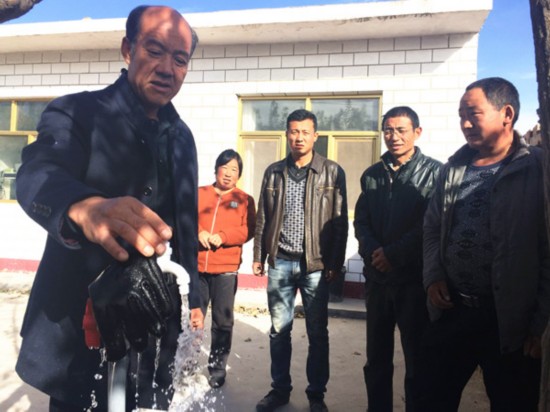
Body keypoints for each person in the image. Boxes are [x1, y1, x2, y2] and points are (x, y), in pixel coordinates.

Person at [14, 5, 203, 411]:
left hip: (154, 325)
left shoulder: (182, 137)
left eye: (180, 59)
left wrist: (196, 298)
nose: (167, 68)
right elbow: (38, 172)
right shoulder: (76, 112)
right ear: (127, 49)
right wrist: (83, 207)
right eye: (154, 50)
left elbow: (185, 227)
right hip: (82, 331)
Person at [422, 77, 550, 411]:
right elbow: (432, 227)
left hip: (511, 322)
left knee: (512, 402)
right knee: (431, 398)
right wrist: (433, 275)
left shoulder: (537, 169)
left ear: (507, 114)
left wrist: (541, 324)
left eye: (473, 114)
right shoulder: (453, 169)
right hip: (454, 311)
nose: (465, 124)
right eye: (461, 115)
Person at [252, 109, 348, 412]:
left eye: (305, 132)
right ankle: (279, 390)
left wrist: (335, 262)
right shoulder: (273, 172)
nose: (299, 137)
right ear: (286, 134)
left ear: (315, 136)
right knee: (279, 331)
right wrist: (258, 255)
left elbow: (340, 221)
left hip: (315, 266)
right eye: (294, 131)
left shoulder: (332, 172)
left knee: (317, 333)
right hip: (280, 262)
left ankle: (316, 394)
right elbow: (263, 216)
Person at [354, 106, 441, 411]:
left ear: (417, 132)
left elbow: (430, 224)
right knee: (376, 358)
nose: (394, 137)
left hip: (413, 281)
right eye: (388, 130)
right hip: (378, 281)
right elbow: (361, 222)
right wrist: (374, 253)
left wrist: (393, 254)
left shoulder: (435, 173)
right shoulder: (372, 175)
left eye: (401, 130)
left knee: (418, 359)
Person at [198, 148, 256, 389]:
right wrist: (198, 232)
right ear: (216, 169)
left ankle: (217, 368)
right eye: (225, 167)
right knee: (194, 319)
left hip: (226, 269)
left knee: (222, 322)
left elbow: (248, 230)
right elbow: (184, 219)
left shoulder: (245, 200)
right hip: (197, 268)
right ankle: (187, 364)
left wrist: (223, 236)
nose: (229, 173)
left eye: (235, 169)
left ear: (239, 175)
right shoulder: (199, 194)